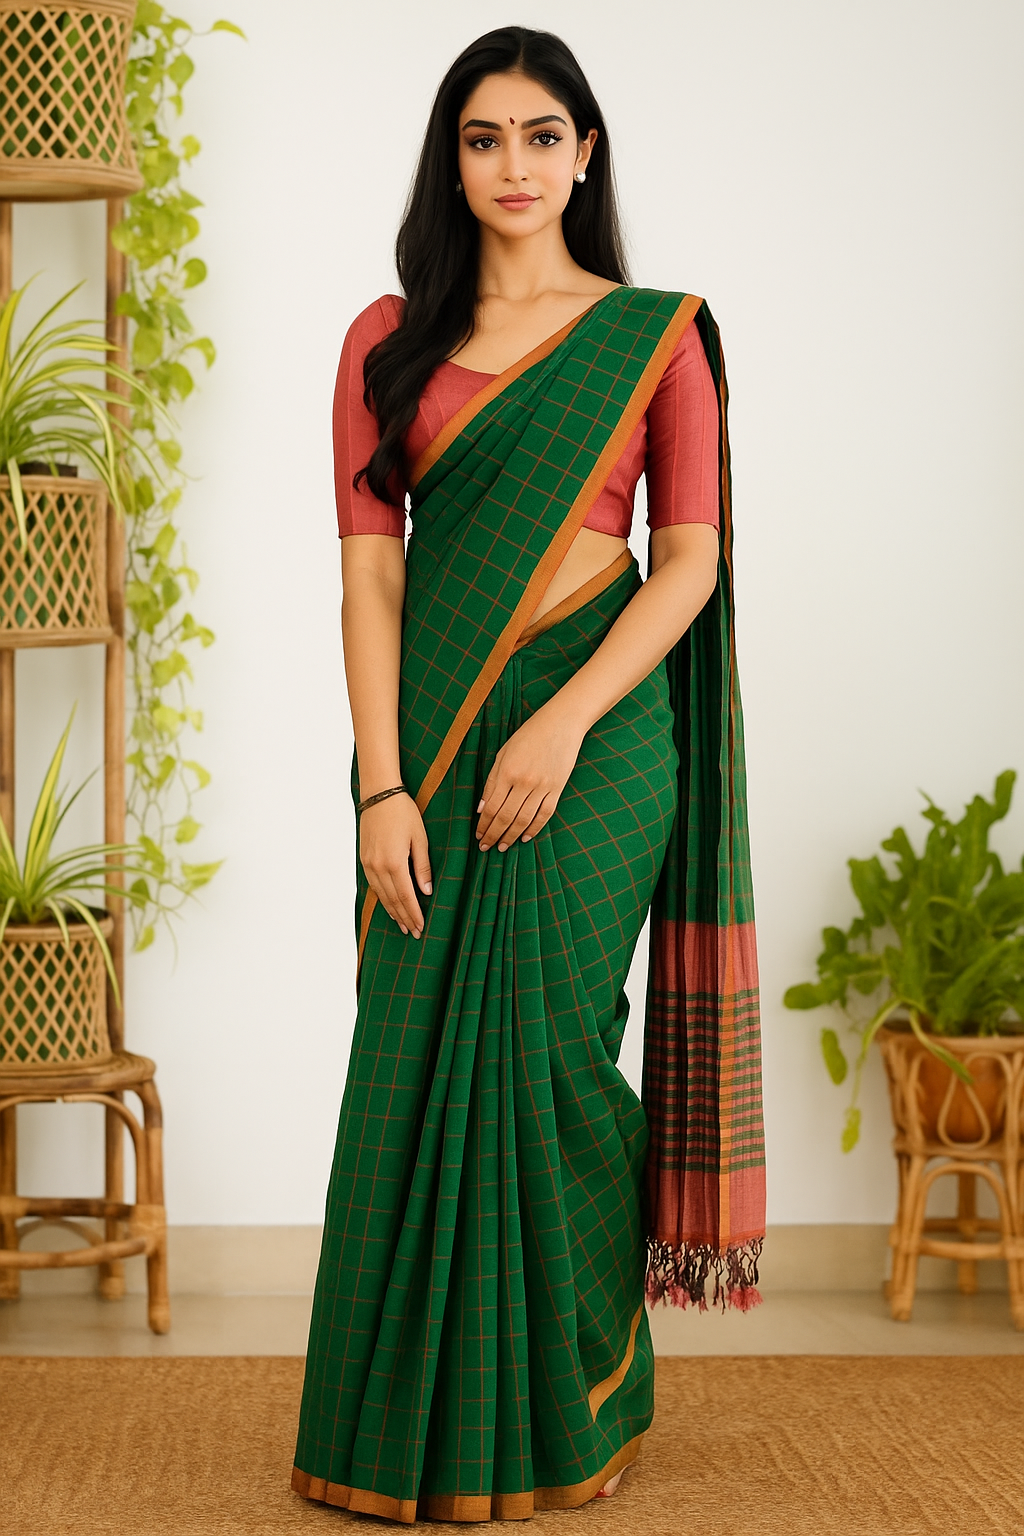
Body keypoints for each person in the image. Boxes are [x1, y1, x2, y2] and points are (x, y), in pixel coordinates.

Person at [292, 25, 765, 1525]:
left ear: (586, 153)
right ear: (454, 157)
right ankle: (407, 1427)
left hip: (607, 731)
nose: (513, 163)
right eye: (483, 137)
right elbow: (372, 584)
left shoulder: (656, 334)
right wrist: (382, 788)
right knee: (412, 1051)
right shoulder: (388, 341)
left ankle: (575, 1393)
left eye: (540, 134)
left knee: (555, 1058)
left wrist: (565, 724)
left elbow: (685, 562)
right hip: (432, 733)